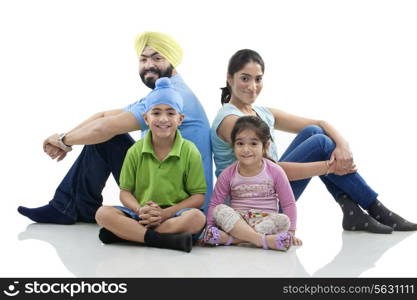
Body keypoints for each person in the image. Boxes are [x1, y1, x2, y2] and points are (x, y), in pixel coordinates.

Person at [211, 49, 417, 234]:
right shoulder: (230, 120)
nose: (252, 86)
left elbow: (320, 122)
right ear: (230, 78)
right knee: (320, 144)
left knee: (314, 132)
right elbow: (273, 170)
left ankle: (351, 210)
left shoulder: (263, 113)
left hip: (271, 190)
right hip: (253, 208)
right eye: (245, 78)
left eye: (258, 79)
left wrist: (343, 144)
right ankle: (374, 208)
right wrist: (329, 167)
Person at [17, 31, 213, 224]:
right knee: (104, 135)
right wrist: (64, 138)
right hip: (162, 179)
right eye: (143, 59)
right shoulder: (165, 92)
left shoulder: (174, 97)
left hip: (176, 196)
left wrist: (63, 142)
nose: (149, 65)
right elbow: (103, 116)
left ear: (172, 60)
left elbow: (106, 127)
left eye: (157, 58)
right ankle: (77, 206)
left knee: (108, 136)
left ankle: (68, 207)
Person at [95, 78, 206, 253]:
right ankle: (160, 239)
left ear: (180, 119)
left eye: (171, 113)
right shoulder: (135, 151)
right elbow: (125, 192)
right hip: (141, 214)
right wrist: (140, 210)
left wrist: (165, 213)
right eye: (156, 113)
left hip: (173, 216)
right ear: (146, 118)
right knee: (102, 213)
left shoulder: (190, 151)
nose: (163, 119)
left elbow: (198, 197)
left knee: (197, 218)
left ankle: (128, 235)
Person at [203, 116, 300, 251]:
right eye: (240, 143)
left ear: (265, 146)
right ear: (233, 146)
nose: (246, 149)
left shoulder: (275, 171)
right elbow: (215, 203)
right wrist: (210, 227)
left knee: (283, 220)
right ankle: (264, 241)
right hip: (238, 222)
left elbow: (288, 203)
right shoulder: (228, 174)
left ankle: (231, 239)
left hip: (265, 222)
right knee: (219, 210)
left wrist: (291, 233)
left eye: (253, 144)